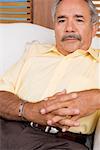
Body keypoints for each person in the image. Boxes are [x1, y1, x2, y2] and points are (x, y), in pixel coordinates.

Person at [0, 0, 100, 149]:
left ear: (94, 29)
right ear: (55, 27)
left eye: (79, 19)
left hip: (62, 143)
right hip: (6, 129)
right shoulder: (34, 52)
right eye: (61, 20)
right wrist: (28, 110)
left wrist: (96, 98)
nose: (69, 28)